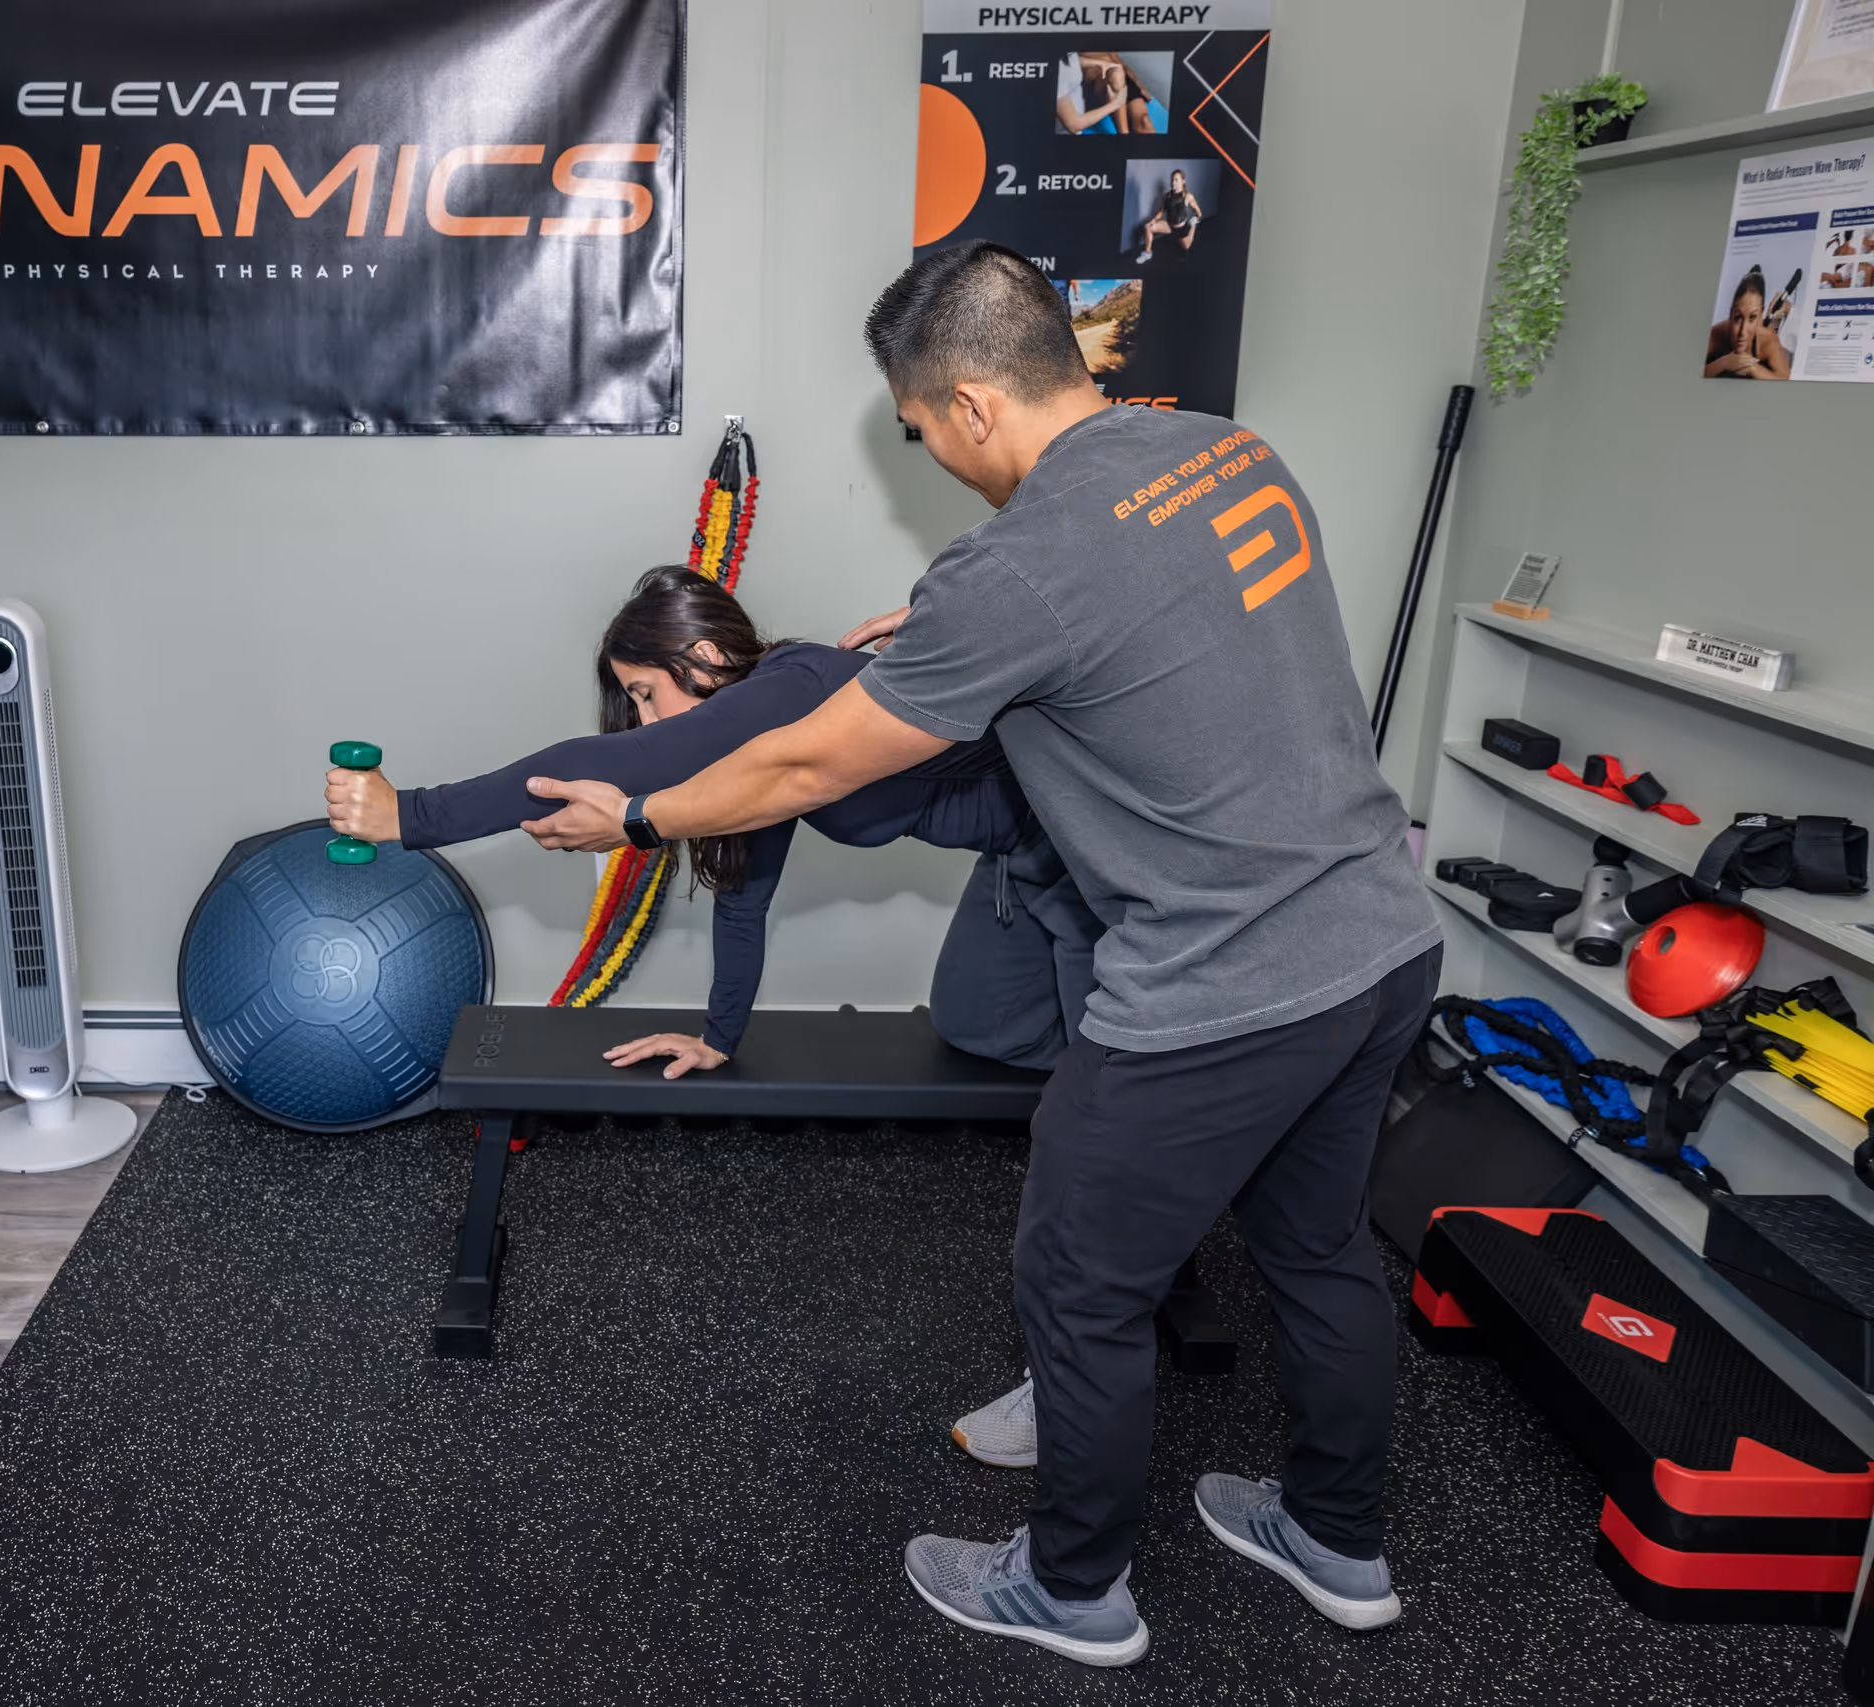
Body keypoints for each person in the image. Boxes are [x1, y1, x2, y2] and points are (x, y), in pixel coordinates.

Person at [515, 242, 1442, 1668]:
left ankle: (1072, 1591)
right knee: (1317, 1249)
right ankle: (1335, 1536)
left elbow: (805, 765)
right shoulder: (1224, 450)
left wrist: (633, 812)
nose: (932, 456)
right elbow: (1155, 626)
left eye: (917, 429)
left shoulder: (1016, 566)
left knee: (1078, 1282)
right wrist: (953, 633)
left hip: (1218, 986)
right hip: (1382, 937)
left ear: (968, 405)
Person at [323, 565, 1098, 1077]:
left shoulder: (793, 688)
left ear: (702, 655)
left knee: (1102, 1081)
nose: (644, 718)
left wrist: (409, 814)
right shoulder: (770, 755)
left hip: (1086, 848)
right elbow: (743, 899)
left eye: (645, 692)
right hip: (1017, 865)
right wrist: (718, 1038)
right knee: (979, 1029)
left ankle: (1139, 1145)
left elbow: (612, 763)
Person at [1704, 265, 1792, 379]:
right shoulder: (1716, 334)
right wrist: (1724, 363)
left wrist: (1752, 368)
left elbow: (1784, 379)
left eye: (1752, 318)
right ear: (1730, 314)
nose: (1743, 332)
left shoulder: (1768, 340)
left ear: (1760, 316)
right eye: (1738, 318)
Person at [1135, 169, 1200, 264]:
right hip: (1169, 226)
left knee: (1186, 248)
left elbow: (1199, 213)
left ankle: (1192, 227)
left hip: (1182, 229)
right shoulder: (1167, 196)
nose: (1173, 182)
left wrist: (1195, 219)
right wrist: (1154, 220)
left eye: (1176, 180)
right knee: (1148, 227)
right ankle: (1147, 253)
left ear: (1183, 181)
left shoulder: (1188, 196)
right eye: (1172, 180)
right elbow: (1161, 211)